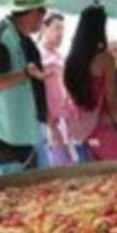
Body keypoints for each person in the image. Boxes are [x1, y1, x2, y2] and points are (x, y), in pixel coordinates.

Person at [0, 0, 51, 174]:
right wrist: (25, 74)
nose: (43, 20)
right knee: (16, 194)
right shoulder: (1, 39)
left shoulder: (24, 40)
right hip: (8, 136)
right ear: (33, 12)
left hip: (28, 130)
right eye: (43, 13)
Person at [64, 5, 117, 161]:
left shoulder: (71, 60)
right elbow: (112, 101)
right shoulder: (105, 59)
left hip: (79, 131)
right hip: (103, 128)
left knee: (92, 181)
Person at [39, 13, 71, 150]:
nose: (61, 33)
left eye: (62, 29)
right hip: (50, 125)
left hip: (66, 122)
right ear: (44, 29)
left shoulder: (60, 56)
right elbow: (39, 94)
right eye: (57, 28)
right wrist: (52, 126)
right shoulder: (38, 56)